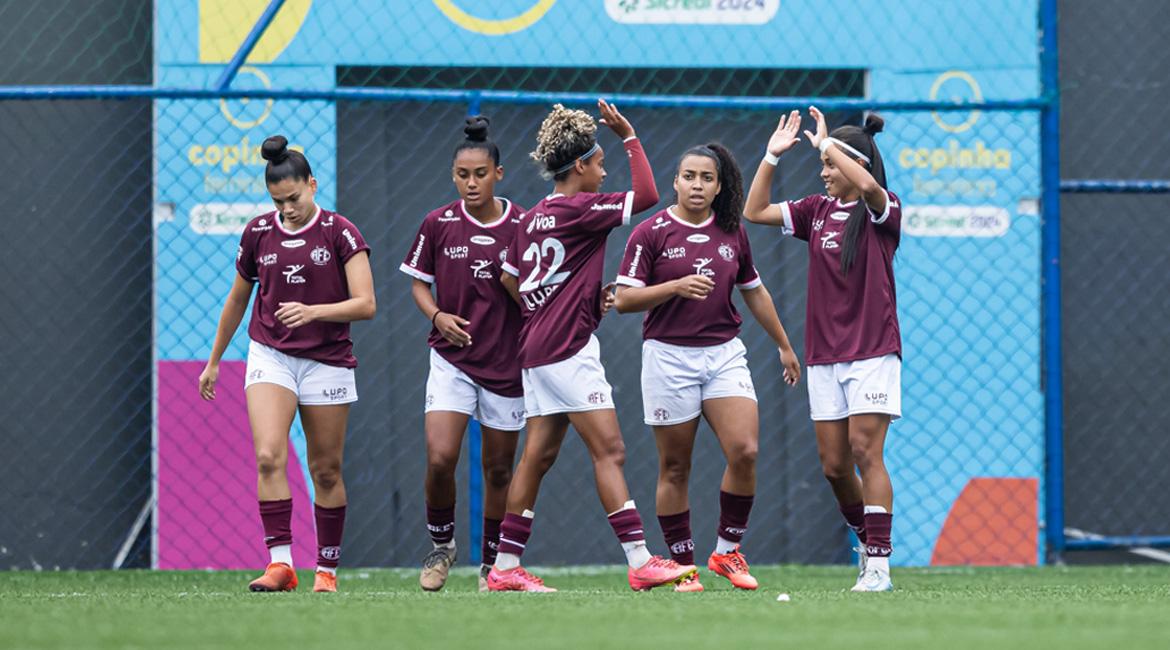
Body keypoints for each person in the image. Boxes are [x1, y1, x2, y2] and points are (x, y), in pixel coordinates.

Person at [485, 100, 695, 592]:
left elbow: (510, 279)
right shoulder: (583, 208)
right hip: (567, 350)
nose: (603, 173)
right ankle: (641, 560)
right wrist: (628, 135)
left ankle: (503, 567)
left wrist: (562, 302)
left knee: (536, 456)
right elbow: (647, 194)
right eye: (599, 163)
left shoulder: (532, 217)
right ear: (579, 166)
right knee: (611, 450)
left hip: (536, 348)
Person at [614, 142, 801, 593]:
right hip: (667, 356)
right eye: (689, 176)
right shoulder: (651, 232)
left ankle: (726, 551)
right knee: (675, 468)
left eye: (707, 178)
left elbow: (754, 291)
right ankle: (683, 568)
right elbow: (622, 299)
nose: (697, 185)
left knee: (745, 450)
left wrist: (784, 345)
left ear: (719, 187)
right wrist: (674, 286)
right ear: (676, 181)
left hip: (723, 354)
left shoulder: (732, 231)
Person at [198, 135, 375, 593]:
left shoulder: (340, 232)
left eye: (294, 198)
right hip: (271, 354)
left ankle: (327, 571)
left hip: (327, 360)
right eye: (278, 201)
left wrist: (314, 311)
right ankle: (280, 565)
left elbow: (366, 304)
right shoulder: (258, 233)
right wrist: (214, 361)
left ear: (312, 185)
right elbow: (239, 299)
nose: (288, 208)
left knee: (325, 469)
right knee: (268, 454)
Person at [743, 108, 901, 592]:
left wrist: (827, 146)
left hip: (873, 350)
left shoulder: (883, 209)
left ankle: (878, 564)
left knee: (864, 451)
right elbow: (754, 211)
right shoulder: (817, 210)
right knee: (834, 467)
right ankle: (865, 537)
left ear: (851, 162)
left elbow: (870, 187)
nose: (825, 173)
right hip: (824, 356)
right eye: (823, 166)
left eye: (831, 167)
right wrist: (771, 155)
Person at [399, 116, 526, 592]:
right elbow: (418, 283)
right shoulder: (438, 223)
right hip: (451, 360)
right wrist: (437, 317)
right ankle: (442, 544)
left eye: (479, 174)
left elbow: (535, 286)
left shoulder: (523, 223)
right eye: (461, 174)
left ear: (499, 173)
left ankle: (493, 566)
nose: (470, 183)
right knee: (440, 456)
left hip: (507, 363)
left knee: (497, 469)